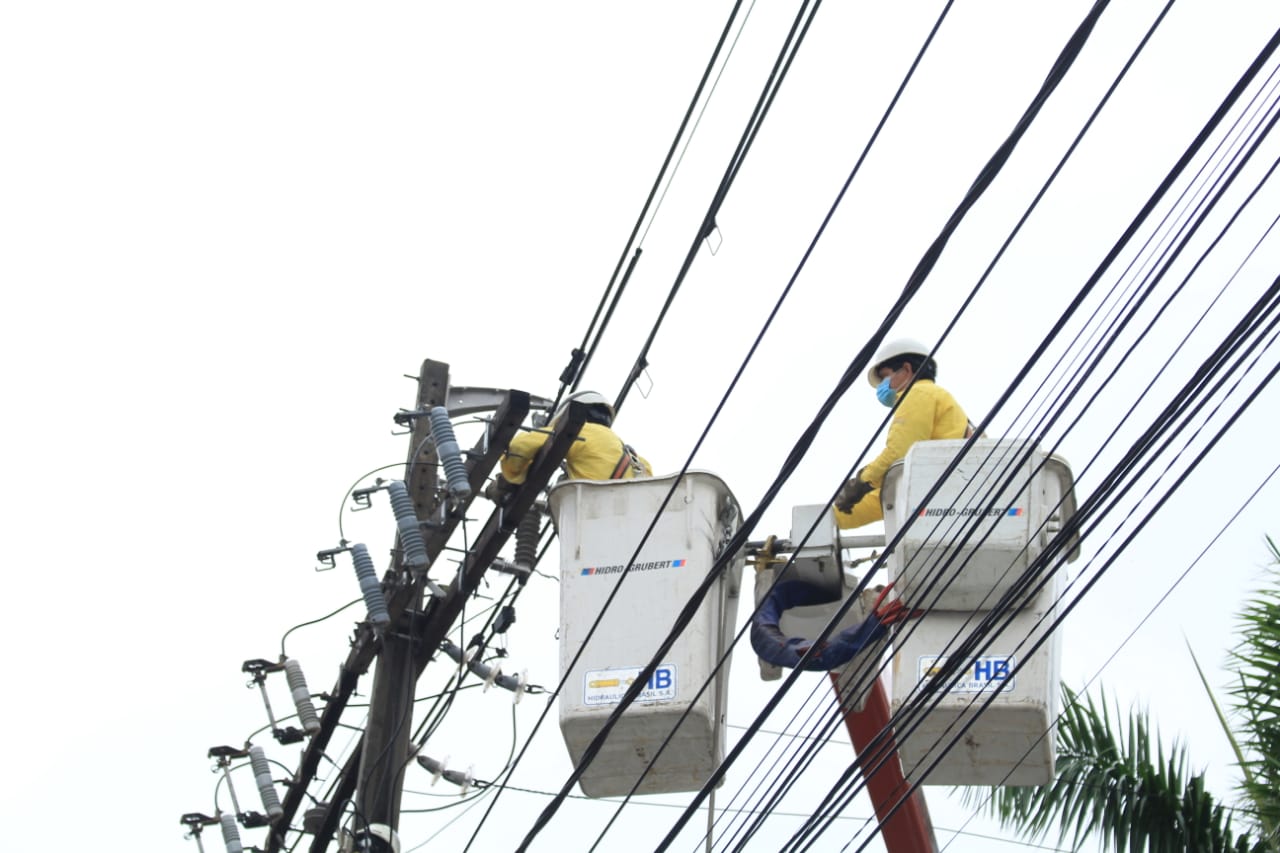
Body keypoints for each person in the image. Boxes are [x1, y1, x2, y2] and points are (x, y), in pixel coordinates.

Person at [834, 338, 970, 529]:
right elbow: (889, 494)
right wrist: (832, 519)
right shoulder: (938, 398)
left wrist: (860, 482)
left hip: (943, 500)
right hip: (950, 501)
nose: (884, 385)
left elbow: (898, 455)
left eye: (885, 377)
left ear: (906, 370)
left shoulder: (919, 394)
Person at [488, 390, 652, 498]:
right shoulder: (637, 460)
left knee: (563, 485)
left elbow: (519, 448)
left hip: (594, 516)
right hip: (635, 530)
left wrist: (509, 480)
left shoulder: (581, 432)